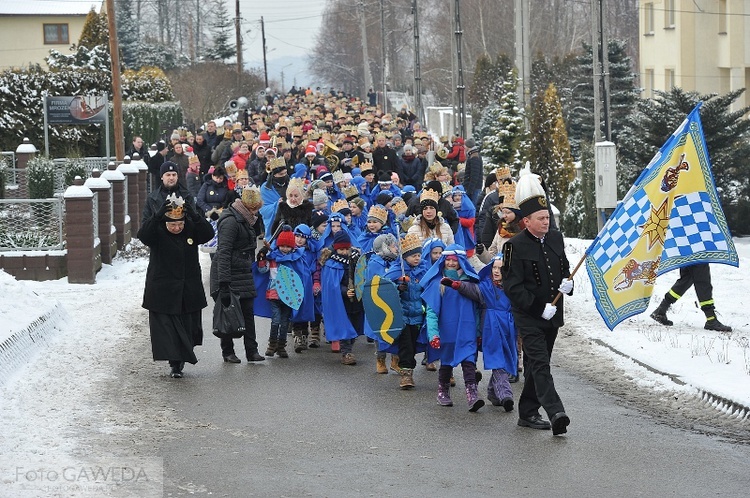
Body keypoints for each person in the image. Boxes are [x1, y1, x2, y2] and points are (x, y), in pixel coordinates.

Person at [502, 172, 573, 436]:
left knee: (535, 364)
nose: (546, 222)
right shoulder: (514, 246)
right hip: (529, 316)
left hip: (553, 314)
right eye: (541, 219)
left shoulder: (555, 238)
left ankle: (527, 412)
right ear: (526, 221)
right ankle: (556, 412)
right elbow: (513, 287)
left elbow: (564, 268)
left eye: (547, 217)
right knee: (540, 363)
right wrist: (537, 307)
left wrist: (568, 284)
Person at [138, 193, 215, 378]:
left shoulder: (189, 228)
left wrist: (195, 216)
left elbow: (208, 234)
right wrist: (156, 216)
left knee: (187, 325)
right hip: (164, 287)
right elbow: (143, 235)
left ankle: (180, 359)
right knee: (169, 327)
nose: (177, 227)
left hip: (187, 287)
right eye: (173, 224)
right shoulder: (157, 230)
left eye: (180, 224)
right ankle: (175, 363)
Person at [442, 255, 517, 411]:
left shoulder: (513, 288)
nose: (496, 271)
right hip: (491, 328)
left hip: (508, 327)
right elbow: (472, 289)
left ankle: (493, 393)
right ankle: (505, 395)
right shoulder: (486, 286)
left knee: (506, 357)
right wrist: (457, 285)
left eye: (500, 268)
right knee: (498, 359)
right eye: (494, 267)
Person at [421, 245, 484, 411]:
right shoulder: (437, 284)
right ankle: (443, 391)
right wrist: (433, 334)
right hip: (447, 332)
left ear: (461, 262)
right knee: (446, 364)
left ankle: (472, 393)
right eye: (447, 259)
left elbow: (477, 311)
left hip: (467, 331)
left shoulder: (470, 283)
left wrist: (478, 332)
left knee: (469, 362)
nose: (450, 263)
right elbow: (432, 313)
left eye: (454, 261)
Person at [209, 186, 266, 364]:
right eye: (254, 208)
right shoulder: (231, 221)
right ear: (247, 206)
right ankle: (228, 352)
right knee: (228, 312)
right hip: (228, 273)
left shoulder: (247, 219)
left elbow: (246, 246)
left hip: (243, 271)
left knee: (248, 312)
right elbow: (224, 252)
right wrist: (223, 282)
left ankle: (252, 350)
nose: (256, 211)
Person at [384, 232, 428, 389]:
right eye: (413, 255)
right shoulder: (397, 271)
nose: (417, 258)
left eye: (419, 255)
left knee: (414, 345)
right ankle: (406, 375)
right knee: (406, 345)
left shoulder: (424, 270)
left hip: (417, 316)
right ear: (404, 257)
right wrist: (398, 287)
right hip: (402, 316)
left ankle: (407, 367)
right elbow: (384, 290)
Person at [320, 231, 363, 365]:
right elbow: (331, 286)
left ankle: (349, 347)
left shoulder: (356, 259)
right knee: (345, 326)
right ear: (336, 248)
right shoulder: (331, 263)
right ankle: (347, 352)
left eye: (346, 249)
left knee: (355, 327)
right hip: (341, 302)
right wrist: (345, 291)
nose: (344, 252)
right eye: (341, 249)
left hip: (356, 300)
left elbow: (362, 276)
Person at [650, 263, 732, 331]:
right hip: (698, 253)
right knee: (703, 283)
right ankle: (711, 319)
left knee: (685, 281)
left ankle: (661, 310)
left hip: (686, 253)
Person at [142, 161, 194, 228]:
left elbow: (194, 220)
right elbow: (145, 225)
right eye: (168, 175)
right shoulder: (152, 198)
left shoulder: (187, 196)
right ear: (162, 177)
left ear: (177, 177)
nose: (171, 178)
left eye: (174, 175)